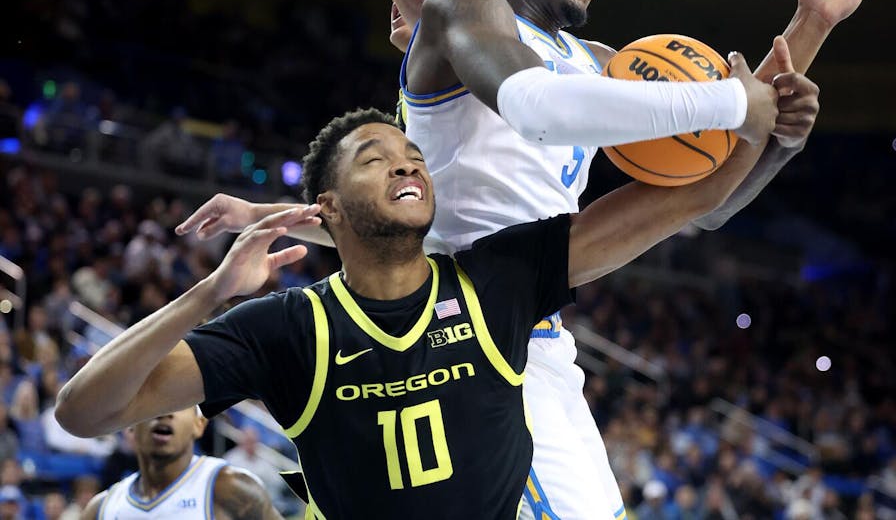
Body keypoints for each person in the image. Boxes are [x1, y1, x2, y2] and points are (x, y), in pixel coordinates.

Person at [173, 0, 874, 516]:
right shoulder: (467, 12)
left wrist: (807, 34)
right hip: (455, 328)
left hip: (535, 323)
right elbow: (488, 55)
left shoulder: (603, 61)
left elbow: (709, 196)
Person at [59, 99, 799, 519]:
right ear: (330, 208)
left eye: (412, 152)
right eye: (374, 158)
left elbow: (694, 191)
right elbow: (84, 413)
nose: (406, 162)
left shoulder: (501, 277)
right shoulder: (287, 326)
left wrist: (775, 83)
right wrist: (208, 295)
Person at [77, 407, 280, 520]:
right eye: (153, 402)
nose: (164, 413)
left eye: (179, 404)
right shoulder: (101, 509)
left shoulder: (233, 489)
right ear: (129, 426)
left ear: (199, 424)